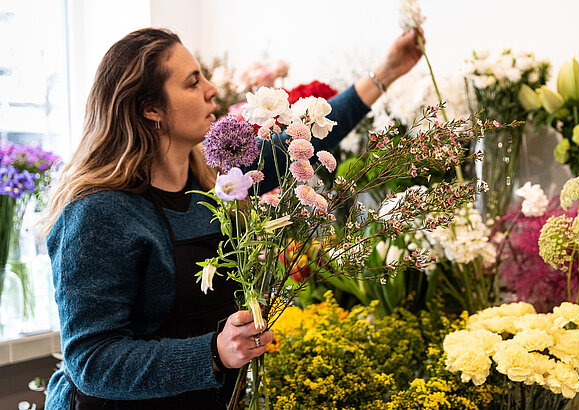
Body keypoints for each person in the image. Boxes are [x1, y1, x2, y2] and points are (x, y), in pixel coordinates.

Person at [41, 25, 424, 409]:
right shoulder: (98, 214)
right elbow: (91, 361)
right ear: (151, 108)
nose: (211, 90)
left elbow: (303, 141)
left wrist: (387, 71)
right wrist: (213, 353)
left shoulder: (220, 180)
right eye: (192, 83)